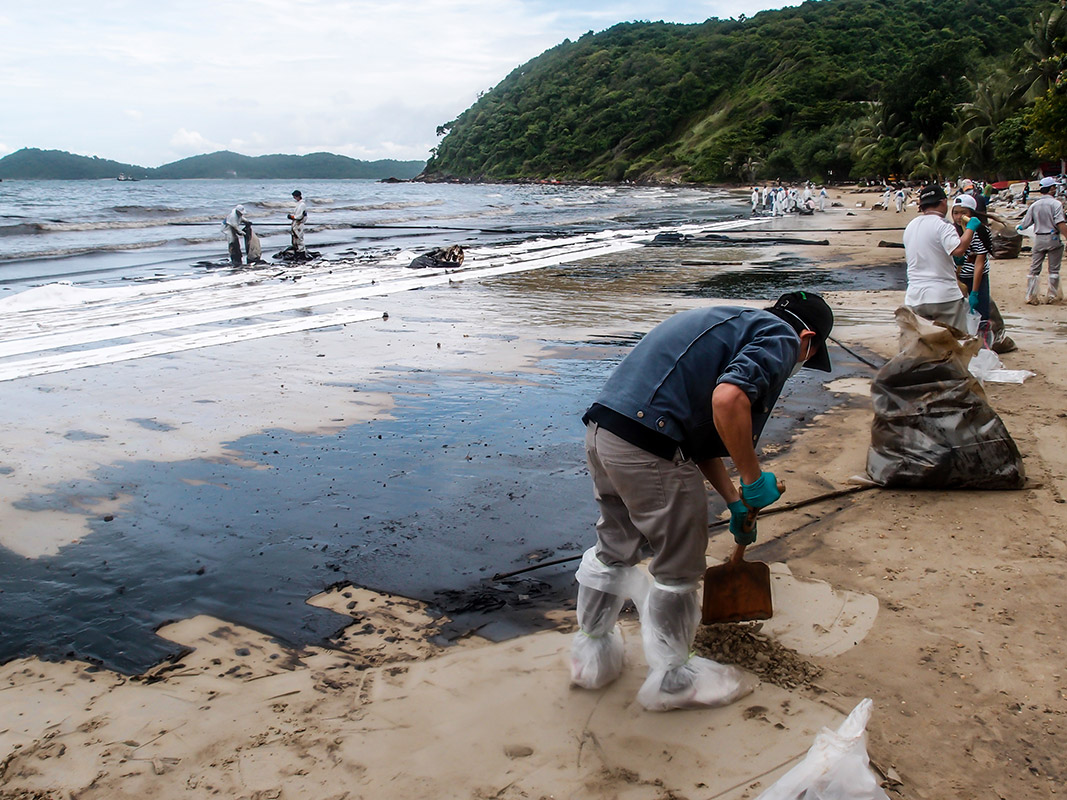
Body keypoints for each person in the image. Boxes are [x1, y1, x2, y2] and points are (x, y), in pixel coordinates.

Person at [570, 291, 835, 711]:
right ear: (808, 339)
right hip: (649, 441)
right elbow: (728, 400)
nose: (799, 363)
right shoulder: (781, 337)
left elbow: (701, 440)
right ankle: (674, 679)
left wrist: (733, 501)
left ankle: (592, 655)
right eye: (808, 356)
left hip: (606, 432)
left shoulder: (733, 324)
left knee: (615, 546)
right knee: (680, 561)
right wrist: (752, 480)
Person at [902, 184, 979, 330]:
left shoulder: (911, 226)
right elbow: (959, 249)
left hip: (915, 296)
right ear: (944, 202)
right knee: (953, 343)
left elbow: (928, 251)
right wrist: (970, 229)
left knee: (924, 344)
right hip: (944, 296)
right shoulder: (943, 225)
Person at [1017, 176, 1067, 304]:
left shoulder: (1034, 205)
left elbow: (1024, 224)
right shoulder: (1056, 204)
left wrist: (1017, 228)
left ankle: (1031, 295)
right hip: (1053, 238)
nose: (1055, 189)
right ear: (1050, 189)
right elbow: (1060, 223)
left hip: (1038, 238)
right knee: (1054, 269)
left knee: (1034, 269)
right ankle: (1052, 296)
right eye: (1054, 187)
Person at [950, 194, 993, 334]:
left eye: (963, 213)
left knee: (981, 314)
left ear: (971, 214)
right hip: (957, 278)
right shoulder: (950, 231)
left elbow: (980, 264)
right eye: (956, 213)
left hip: (977, 277)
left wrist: (974, 292)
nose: (959, 217)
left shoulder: (980, 231)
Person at [288, 190, 308, 257]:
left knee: (299, 238)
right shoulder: (299, 204)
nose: (294, 198)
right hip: (296, 223)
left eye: (294, 196)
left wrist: (292, 217)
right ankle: (297, 251)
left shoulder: (302, 205)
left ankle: (301, 252)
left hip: (299, 223)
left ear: (298, 196)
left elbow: (299, 216)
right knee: (295, 237)